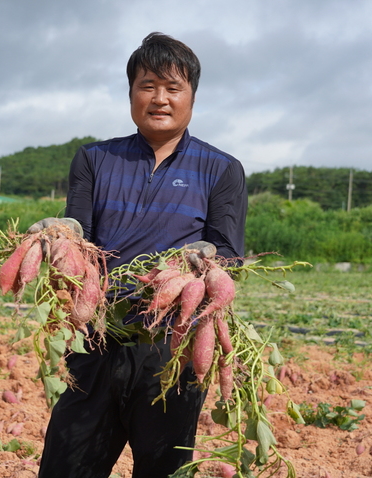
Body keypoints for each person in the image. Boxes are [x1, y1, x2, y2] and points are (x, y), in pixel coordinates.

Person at [36, 32, 247, 478]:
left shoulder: (221, 169)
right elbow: (81, 240)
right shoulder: (94, 159)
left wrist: (204, 262)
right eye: (148, 85)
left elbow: (229, 255)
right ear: (131, 93)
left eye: (173, 88)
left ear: (192, 96)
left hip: (172, 352)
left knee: (162, 470)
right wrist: (58, 237)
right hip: (96, 340)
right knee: (65, 467)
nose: (160, 99)